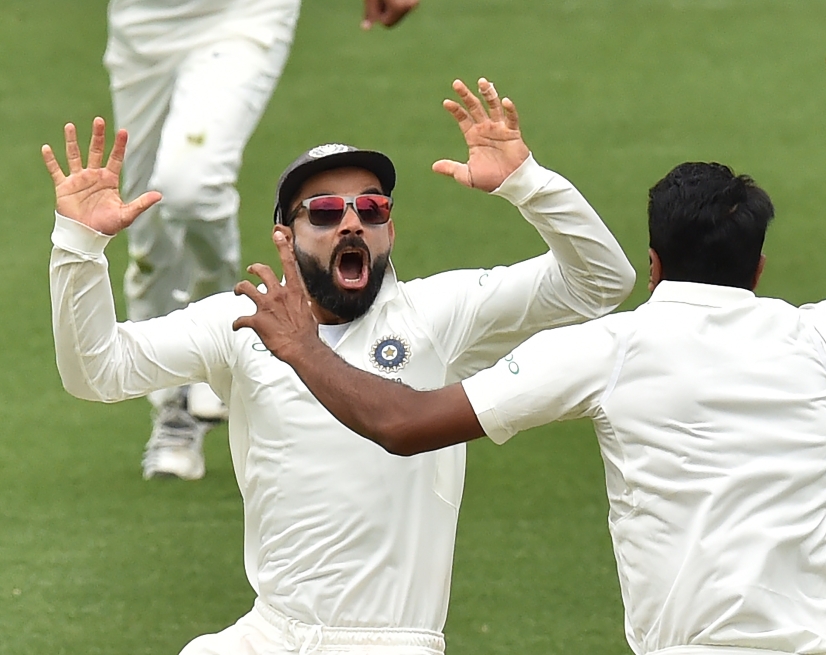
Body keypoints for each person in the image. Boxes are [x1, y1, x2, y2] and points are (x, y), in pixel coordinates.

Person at [236, 13, 826, 655]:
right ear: (759, 267)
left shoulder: (608, 351)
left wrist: (302, 347)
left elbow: (402, 423)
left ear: (654, 265)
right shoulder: (819, 339)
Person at [45, 78, 635, 654]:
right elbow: (98, 371)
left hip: (389, 641)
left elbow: (601, 282)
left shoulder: (440, 314)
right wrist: (79, 246)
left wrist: (528, 183)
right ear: (285, 236)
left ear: (388, 229)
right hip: (271, 633)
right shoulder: (243, 321)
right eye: (325, 212)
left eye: (372, 208)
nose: (352, 222)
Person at [105, 0, 421, 481]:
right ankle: (175, 407)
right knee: (146, 223)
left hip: (243, 12)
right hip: (141, 23)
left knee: (190, 188)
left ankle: (215, 332)